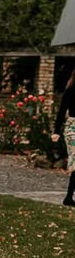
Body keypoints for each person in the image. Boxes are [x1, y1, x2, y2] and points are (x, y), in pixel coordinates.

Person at [51, 70, 75, 206]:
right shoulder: (70, 91)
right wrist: (56, 131)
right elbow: (61, 112)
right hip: (73, 127)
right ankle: (68, 197)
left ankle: (68, 197)